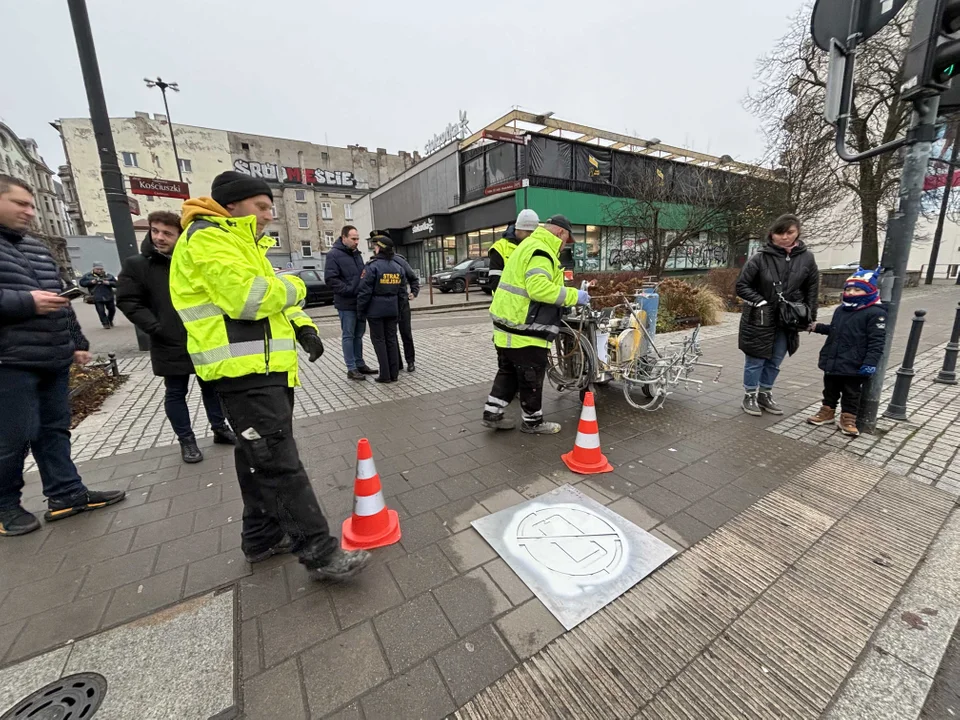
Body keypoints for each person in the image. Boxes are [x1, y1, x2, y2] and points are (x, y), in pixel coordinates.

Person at [169, 170, 368, 578]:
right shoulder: (209, 238)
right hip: (243, 372)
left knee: (257, 459)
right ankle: (320, 552)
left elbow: (270, 298)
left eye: (270, 207)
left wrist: (302, 326)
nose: (268, 215)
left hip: (263, 370)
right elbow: (251, 298)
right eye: (261, 207)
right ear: (232, 206)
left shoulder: (243, 244)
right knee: (279, 463)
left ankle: (260, 539)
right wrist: (297, 286)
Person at [0, 174, 125, 536]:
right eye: (20, 203)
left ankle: (66, 494)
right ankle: (6, 506)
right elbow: (34, 301)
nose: (30, 211)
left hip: (51, 355)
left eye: (32, 204)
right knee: (12, 437)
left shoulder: (36, 248)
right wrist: (25, 303)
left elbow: (60, 299)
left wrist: (78, 342)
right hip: (9, 362)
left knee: (54, 431)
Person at [116, 211, 237, 464]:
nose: (159, 237)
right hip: (167, 340)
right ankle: (187, 441)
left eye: (167, 233)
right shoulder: (137, 265)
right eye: (155, 231)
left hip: (202, 336)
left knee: (212, 387)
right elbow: (129, 301)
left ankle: (219, 428)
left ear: (181, 236)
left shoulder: (193, 260)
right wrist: (156, 327)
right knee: (175, 392)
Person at [483, 213, 589, 433]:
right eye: (566, 240)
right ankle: (533, 422)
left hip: (507, 324)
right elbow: (538, 289)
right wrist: (573, 296)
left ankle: (492, 413)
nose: (564, 246)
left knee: (509, 372)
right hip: (525, 328)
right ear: (560, 233)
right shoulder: (542, 251)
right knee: (531, 375)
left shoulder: (529, 244)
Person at [735, 213, 819, 417]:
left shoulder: (807, 258)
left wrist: (809, 316)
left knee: (775, 359)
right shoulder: (760, 257)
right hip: (760, 317)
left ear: (797, 232)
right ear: (772, 234)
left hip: (787, 318)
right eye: (779, 233)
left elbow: (812, 288)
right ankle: (750, 395)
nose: (784, 237)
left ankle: (765, 393)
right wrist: (760, 301)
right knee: (756, 359)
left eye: (789, 232)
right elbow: (741, 285)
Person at [806, 268, 886, 437]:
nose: (852, 292)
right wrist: (817, 327)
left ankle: (848, 418)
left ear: (870, 290)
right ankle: (827, 412)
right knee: (830, 389)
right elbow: (835, 330)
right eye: (848, 289)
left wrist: (870, 363)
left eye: (857, 289)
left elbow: (877, 342)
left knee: (851, 393)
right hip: (834, 359)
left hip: (854, 363)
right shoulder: (841, 310)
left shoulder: (875, 313)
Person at [325, 225, 377, 381]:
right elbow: (331, 279)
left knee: (359, 335)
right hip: (346, 303)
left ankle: (360, 364)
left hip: (360, 302)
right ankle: (351, 368)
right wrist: (349, 289)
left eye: (357, 238)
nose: (356, 242)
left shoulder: (356, 254)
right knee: (348, 335)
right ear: (344, 238)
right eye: (353, 239)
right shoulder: (333, 255)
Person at [357, 234, 404, 384]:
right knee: (391, 339)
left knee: (379, 341)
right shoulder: (398, 267)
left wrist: (361, 311)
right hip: (392, 309)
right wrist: (400, 310)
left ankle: (385, 374)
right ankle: (394, 373)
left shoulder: (372, 266)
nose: (374, 249)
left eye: (375, 246)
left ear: (379, 249)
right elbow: (402, 293)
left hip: (375, 311)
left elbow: (364, 291)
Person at [488, 209, 539, 293]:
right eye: (528, 231)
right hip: (506, 303)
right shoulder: (500, 248)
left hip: (531, 304)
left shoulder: (536, 246)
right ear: (518, 228)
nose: (530, 235)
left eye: (533, 232)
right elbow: (495, 282)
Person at [392, 241, 421, 372]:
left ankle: (410, 361)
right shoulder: (375, 262)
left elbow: (413, 279)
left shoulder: (399, 261)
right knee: (391, 335)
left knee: (406, 333)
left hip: (402, 303)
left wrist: (414, 292)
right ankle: (397, 362)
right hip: (388, 305)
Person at [79, 261, 117, 328]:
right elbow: (82, 283)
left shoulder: (109, 275)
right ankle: (105, 323)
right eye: (97, 269)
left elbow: (116, 284)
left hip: (108, 295)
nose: (99, 271)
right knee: (101, 311)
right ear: (93, 268)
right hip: (96, 296)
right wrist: (91, 282)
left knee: (112, 310)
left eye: (101, 269)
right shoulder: (87, 276)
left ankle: (110, 320)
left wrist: (108, 283)